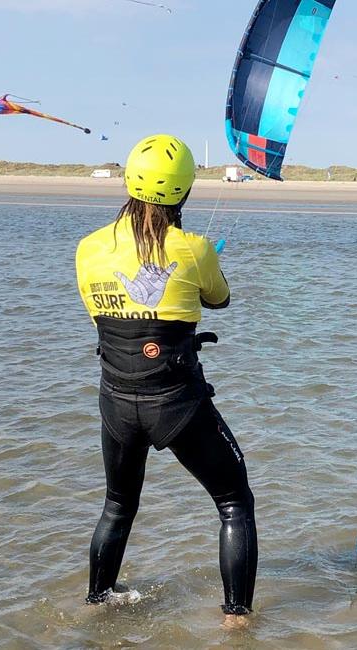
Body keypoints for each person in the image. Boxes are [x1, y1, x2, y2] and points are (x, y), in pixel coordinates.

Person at [75, 134, 257, 629]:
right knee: (234, 501)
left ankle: (97, 604)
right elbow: (219, 299)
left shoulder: (88, 248)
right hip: (176, 404)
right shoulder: (194, 249)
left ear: (129, 180)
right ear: (184, 193)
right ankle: (236, 620)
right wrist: (206, 261)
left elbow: (102, 315)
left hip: (115, 400)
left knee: (117, 504)